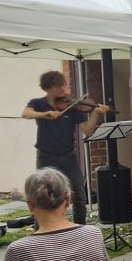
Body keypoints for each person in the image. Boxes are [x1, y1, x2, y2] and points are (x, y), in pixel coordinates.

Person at [22, 70, 108, 225]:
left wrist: (96, 114)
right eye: (60, 87)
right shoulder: (37, 104)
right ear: (49, 88)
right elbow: (26, 114)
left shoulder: (73, 107)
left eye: (64, 85)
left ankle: (79, 229)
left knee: (80, 196)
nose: (64, 90)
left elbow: (87, 130)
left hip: (68, 156)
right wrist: (44, 114)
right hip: (46, 156)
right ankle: (40, 230)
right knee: (40, 195)